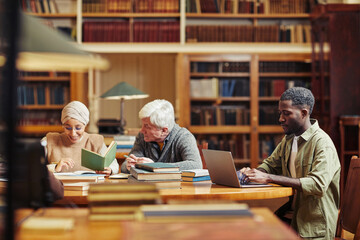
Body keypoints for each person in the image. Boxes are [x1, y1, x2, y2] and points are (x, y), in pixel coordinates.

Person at [239, 87, 340, 239]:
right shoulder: (289, 140)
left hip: (313, 226)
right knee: (250, 229)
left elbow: (318, 185)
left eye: (286, 113)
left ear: (304, 113)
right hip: (290, 216)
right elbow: (270, 164)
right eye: (280, 113)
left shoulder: (322, 143)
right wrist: (254, 173)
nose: (281, 119)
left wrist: (268, 178)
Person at [121, 99, 202, 173]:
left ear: (164, 130)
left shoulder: (184, 136)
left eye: (147, 126)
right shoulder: (142, 136)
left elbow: (196, 165)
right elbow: (124, 167)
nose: (141, 130)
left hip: (176, 187)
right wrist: (129, 165)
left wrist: (156, 166)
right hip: (149, 187)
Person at [45, 101, 119, 175]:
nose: (73, 134)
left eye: (78, 128)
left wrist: (110, 169)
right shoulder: (50, 140)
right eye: (68, 128)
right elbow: (35, 167)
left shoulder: (95, 141)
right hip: (60, 186)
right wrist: (55, 167)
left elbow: (114, 165)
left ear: (85, 125)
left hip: (89, 186)